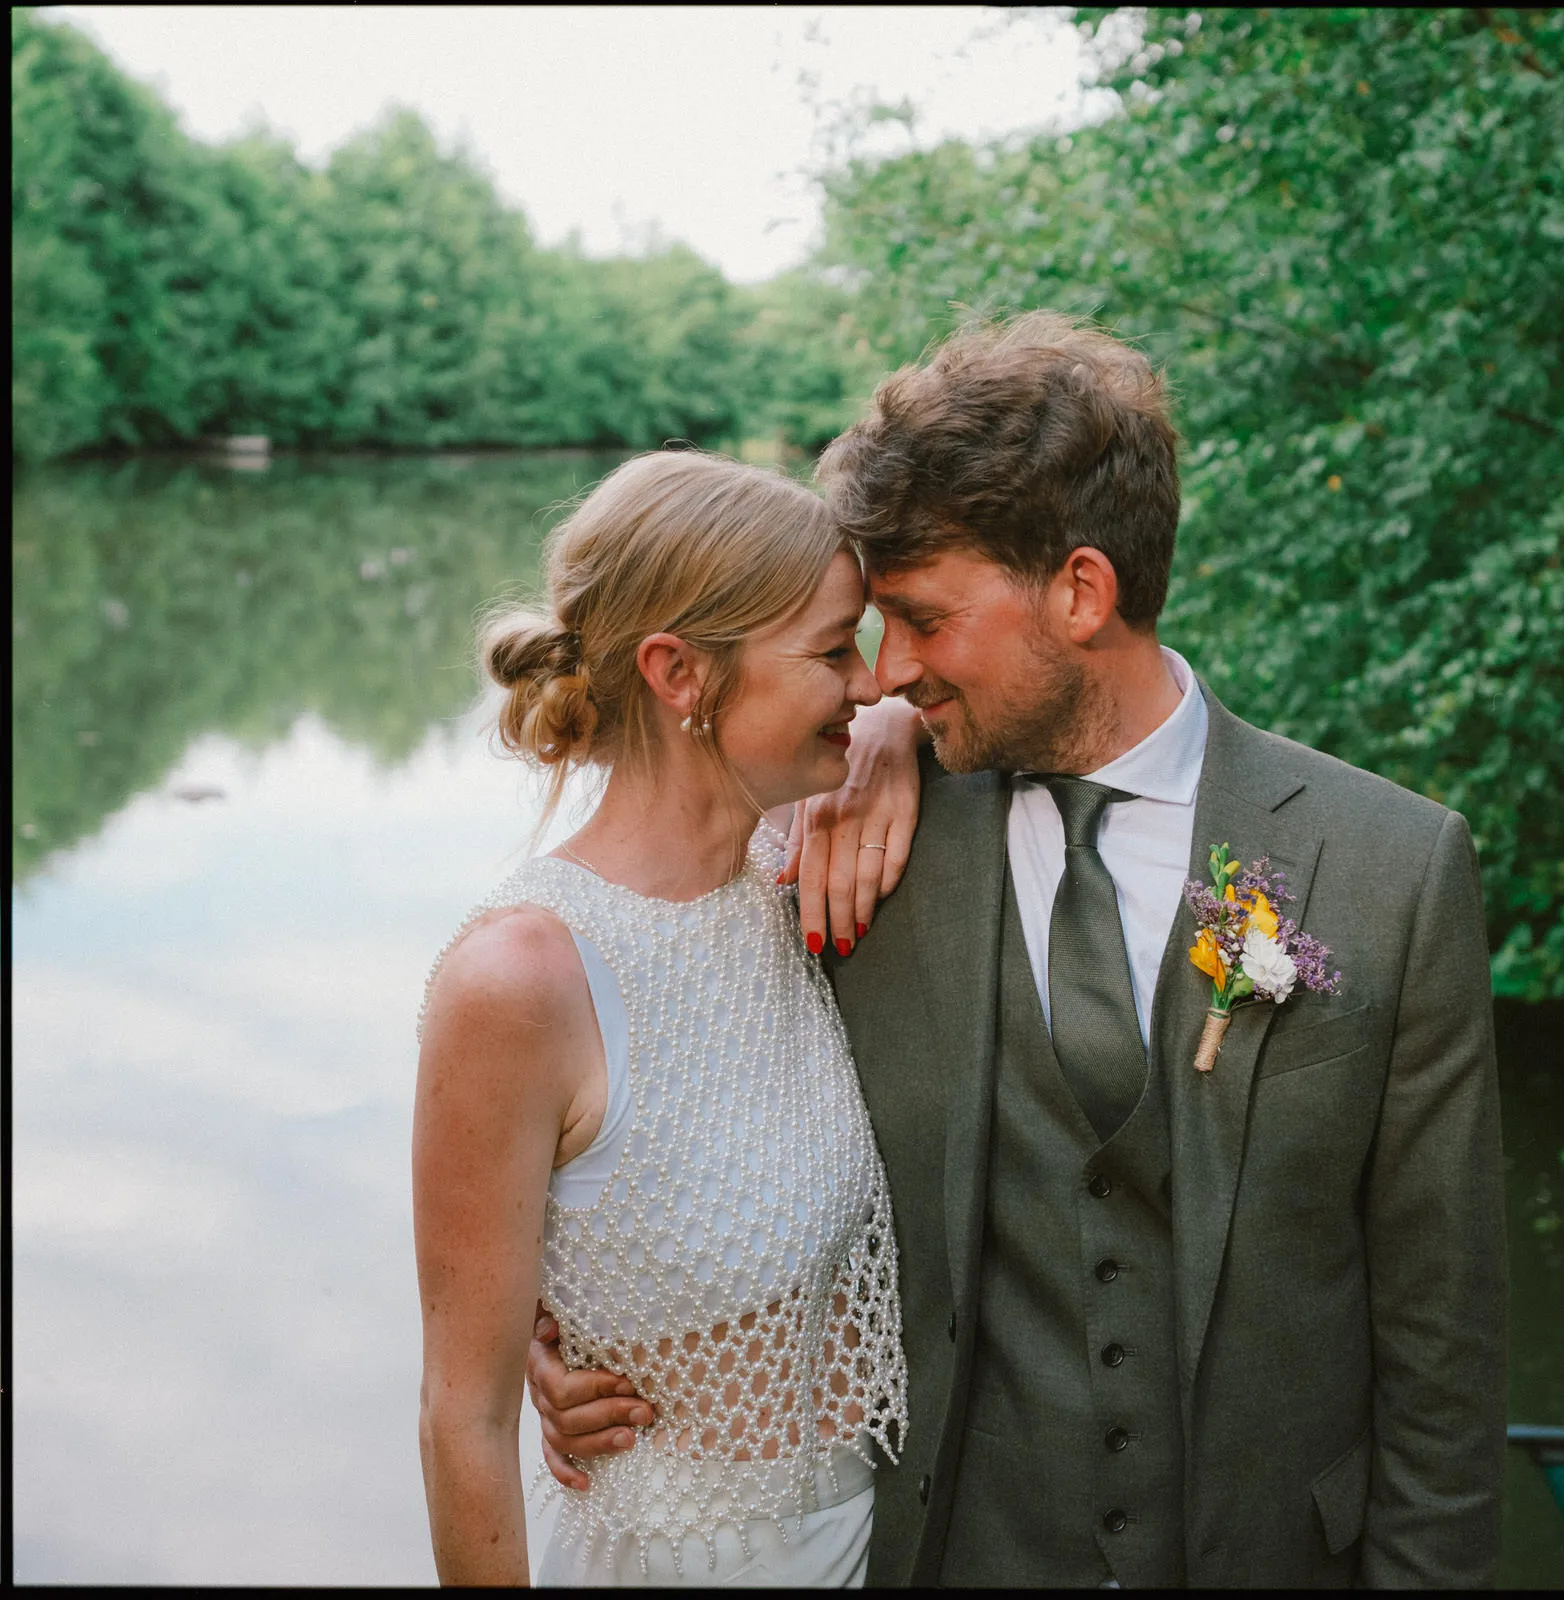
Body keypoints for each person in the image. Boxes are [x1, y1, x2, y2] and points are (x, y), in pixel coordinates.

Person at [527, 313, 1508, 1588]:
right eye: (868, 632)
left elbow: (1443, 1350)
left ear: (1082, 592)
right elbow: (638, 1094)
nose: (882, 677)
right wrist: (568, 1335)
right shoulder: (839, 844)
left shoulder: (1391, 868)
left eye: (923, 620)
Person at [412, 449, 913, 1587]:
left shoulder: (800, 868)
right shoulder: (521, 978)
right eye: (836, 651)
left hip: (885, 1543)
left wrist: (897, 741)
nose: (875, 680)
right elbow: (462, 1417)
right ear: (679, 672)